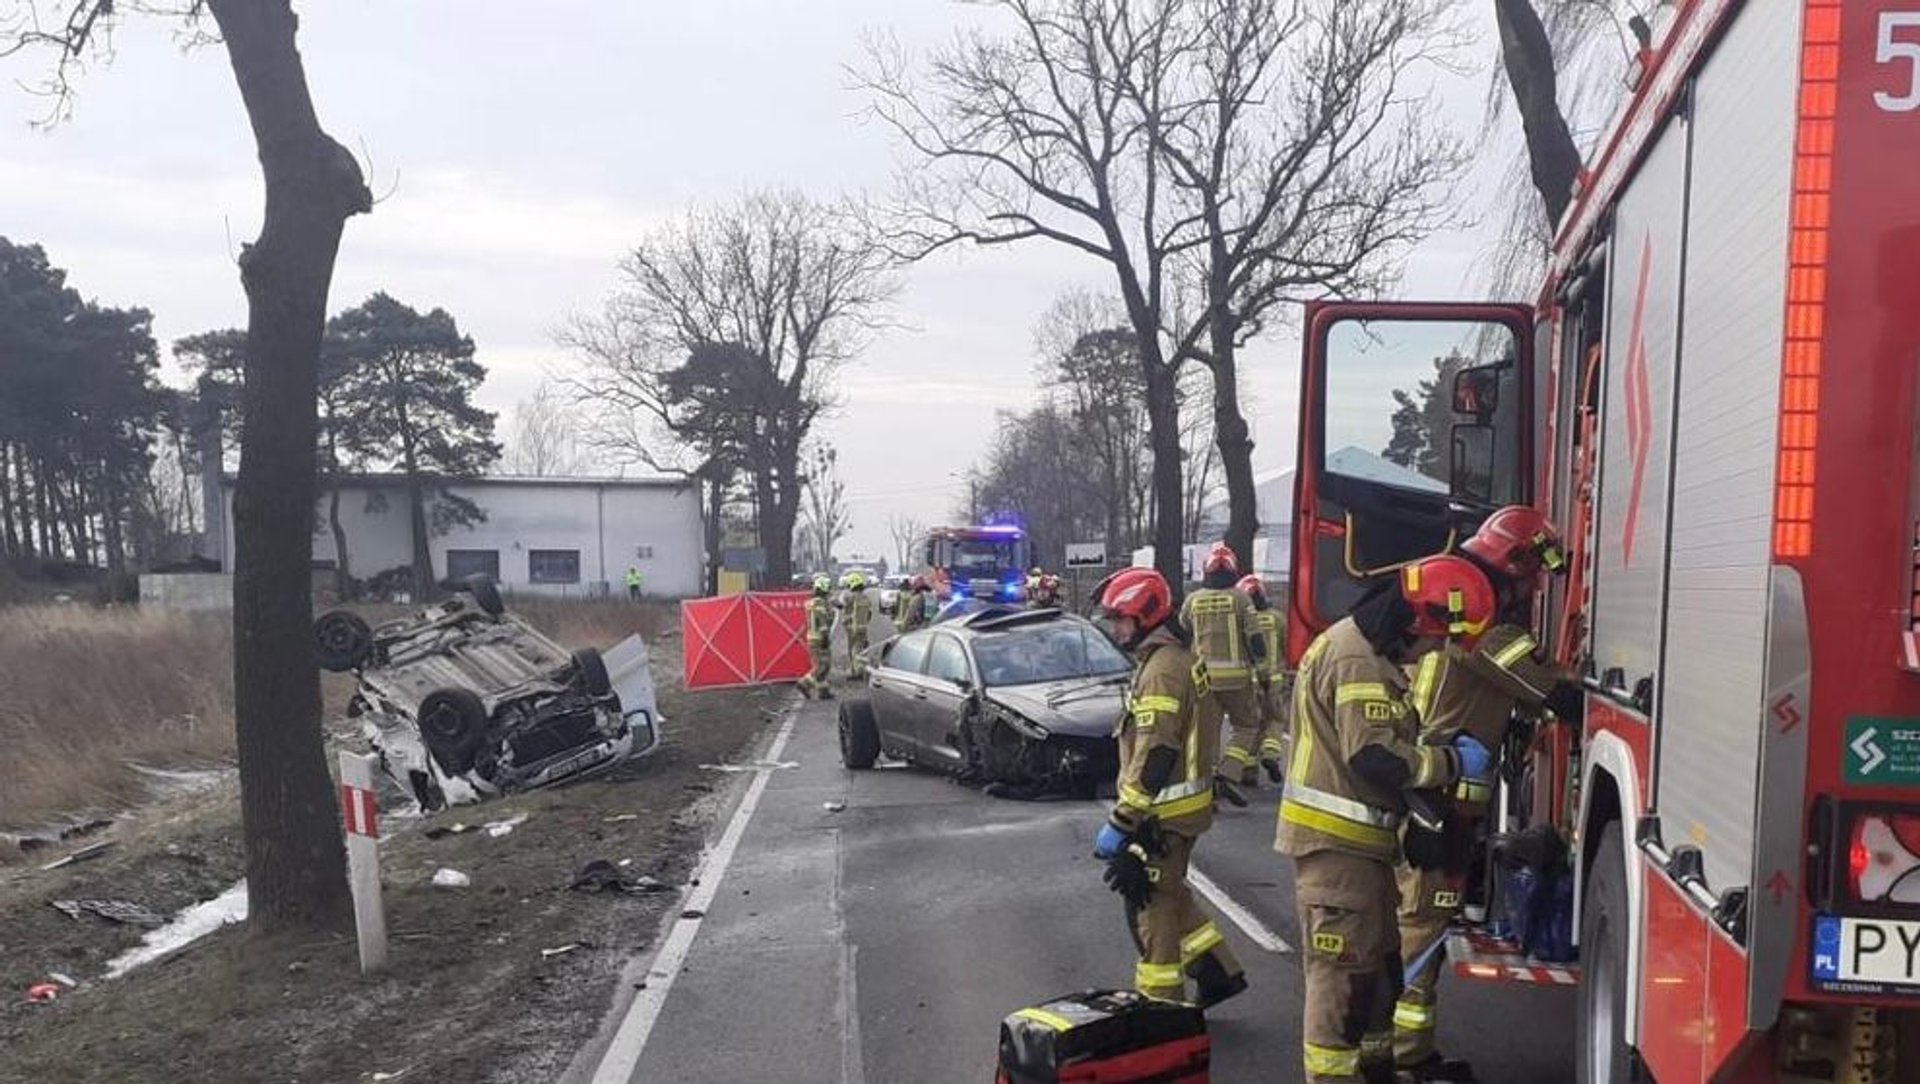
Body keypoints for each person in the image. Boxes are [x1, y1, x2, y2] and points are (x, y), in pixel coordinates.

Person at [1278, 555, 1498, 1084]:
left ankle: (1378, 1072)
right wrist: (1448, 763)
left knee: (1379, 980)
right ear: (1419, 621)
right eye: (1439, 639)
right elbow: (1374, 758)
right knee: (1343, 989)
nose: (1435, 653)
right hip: (1337, 854)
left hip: (1361, 852)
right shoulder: (1359, 662)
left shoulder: (1365, 650)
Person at [1391, 510, 1583, 1080]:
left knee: (1421, 920)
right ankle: (1403, 1058)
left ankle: (1407, 1053)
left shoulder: (1467, 611)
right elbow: (1550, 691)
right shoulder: (1485, 626)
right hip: (1440, 800)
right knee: (1422, 922)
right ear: (1514, 564)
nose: (1533, 589)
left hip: (1438, 794)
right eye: (1531, 576)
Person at [1093, 567, 1249, 1009]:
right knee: (1172, 891)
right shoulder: (1171, 659)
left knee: (1152, 909)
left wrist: (1124, 820)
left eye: (1120, 619)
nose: (1115, 628)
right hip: (1177, 810)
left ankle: (1161, 1008)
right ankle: (1219, 970)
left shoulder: (1162, 670)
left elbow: (1157, 752)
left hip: (1161, 815)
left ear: (1146, 615)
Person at [1181, 542, 1266, 788]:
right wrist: (1261, 668)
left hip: (1203, 680)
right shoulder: (1240, 598)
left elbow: (1183, 631)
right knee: (1246, 726)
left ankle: (1207, 785)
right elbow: (1255, 638)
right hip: (1237, 679)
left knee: (1208, 734)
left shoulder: (1193, 600)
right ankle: (1228, 773)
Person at [1236, 574, 1290, 784]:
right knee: (1275, 720)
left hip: (1251, 680)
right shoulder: (1277, 618)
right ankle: (1270, 755)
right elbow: (1287, 646)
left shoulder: (1243, 620)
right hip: (1275, 680)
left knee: (1251, 724)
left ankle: (1249, 771)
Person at [796, 575, 836, 700]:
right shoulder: (820, 604)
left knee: (823, 664)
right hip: (819, 638)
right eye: (828, 588)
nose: (829, 591)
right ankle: (805, 683)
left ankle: (823, 690)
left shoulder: (810, 603)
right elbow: (822, 621)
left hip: (811, 637)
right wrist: (825, 637)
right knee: (822, 665)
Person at [840, 571, 876, 680]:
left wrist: (846, 620)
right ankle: (863, 669)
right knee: (861, 649)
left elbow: (841, 605)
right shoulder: (866, 598)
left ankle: (856, 672)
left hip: (851, 628)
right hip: (863, 627)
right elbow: (869, 614)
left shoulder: (849, 597)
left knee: (853, 650)